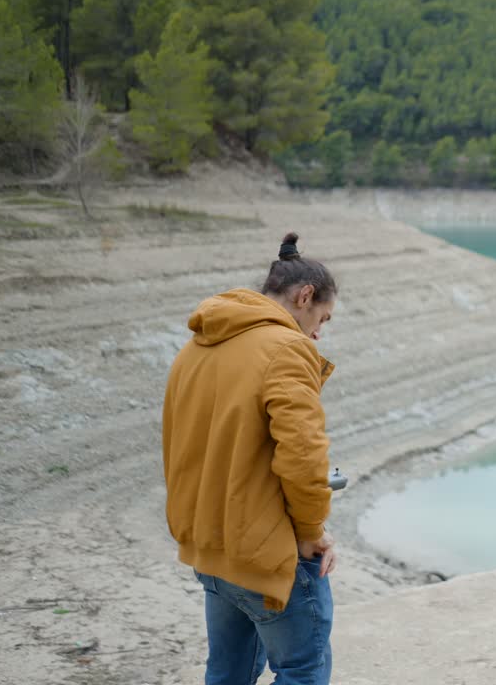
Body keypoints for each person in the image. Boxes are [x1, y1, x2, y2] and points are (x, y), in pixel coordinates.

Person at [162, 232, 339, 685]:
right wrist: (310, 533)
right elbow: (303, 457)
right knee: (304, 670)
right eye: (323, 317)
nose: (319, 332)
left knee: (227, 673)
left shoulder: (197, 346)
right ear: (304, 296)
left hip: (211, 546)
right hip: (265, 552)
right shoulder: (287, 348)